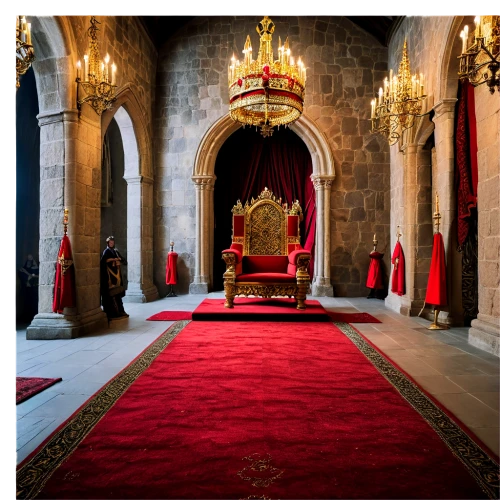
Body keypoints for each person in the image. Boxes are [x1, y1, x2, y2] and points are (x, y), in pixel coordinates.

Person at [100, 236, 129, 320]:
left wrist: (119, 259)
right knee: (111, 295)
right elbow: (103, 261)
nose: (112, 243)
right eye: (110, 242)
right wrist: (113, 259)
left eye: (113, 242)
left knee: (117, 295)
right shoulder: (106, 251)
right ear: (108, 243)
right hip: (110, 277)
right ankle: (112, 313)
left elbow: (123, 260)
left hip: (117, 276)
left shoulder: (115, 251)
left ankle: (120, 311)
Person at [18, 254, 39, 321]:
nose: (29, 258)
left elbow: (37, 275)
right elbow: (23, 274)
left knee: (34, 302)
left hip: (34, 288)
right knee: (26, 302)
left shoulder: (36, 267)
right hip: (26, 288)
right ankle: (26, 317)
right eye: (28, 257)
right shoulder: (24, 268)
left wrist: (33, 276)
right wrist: (28, 277)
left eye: (31, 257)